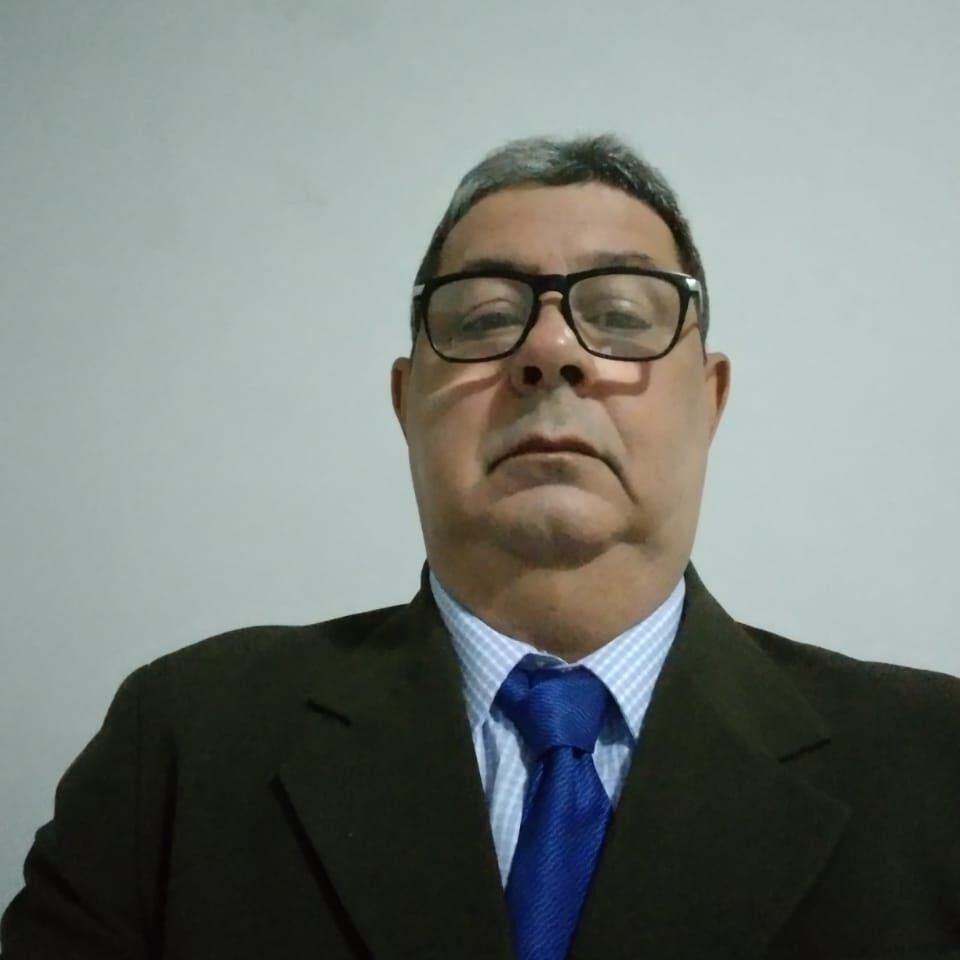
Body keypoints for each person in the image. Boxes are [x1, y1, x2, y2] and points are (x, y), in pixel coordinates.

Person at [2, 134, 958, 960]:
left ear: (710, 401)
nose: (551, 350)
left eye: (621, 316)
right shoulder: (186, 745)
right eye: (487, 319)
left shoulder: (934, 765)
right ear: (407, 404)